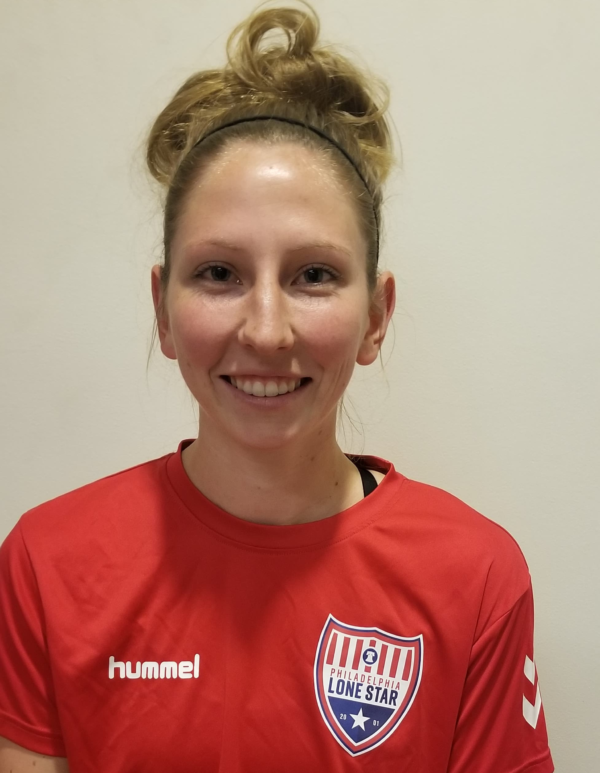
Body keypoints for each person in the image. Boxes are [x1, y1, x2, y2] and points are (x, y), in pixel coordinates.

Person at [0, 3, 553, 772]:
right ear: (162, 309)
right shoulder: (48, 563)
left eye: (314, 274)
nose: (266, 329)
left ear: (376, 317)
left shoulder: (477, 576)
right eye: (219, 273)